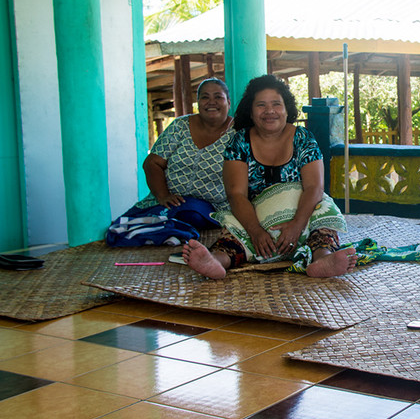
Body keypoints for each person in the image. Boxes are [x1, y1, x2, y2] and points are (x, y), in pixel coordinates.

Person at [183, 74, 357, 279]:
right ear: (251, 110)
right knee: (233, 234)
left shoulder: (302, 138)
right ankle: (216, 261)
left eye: (276, 104)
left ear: (286, 108)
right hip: (256, 219)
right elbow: (236, 194)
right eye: (261, 105)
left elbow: (314, 187)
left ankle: (322, 259)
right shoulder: (239, 142)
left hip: (302, 217)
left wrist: (296, 225)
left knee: (324, 216)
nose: (269, 111)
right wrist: (256, 231)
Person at [137, 77, 235, 213]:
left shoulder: (238, 134)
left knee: (186, 214)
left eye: (218, 97)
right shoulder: (180, 126)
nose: (211, 102)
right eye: (205, 97)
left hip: (213, 208)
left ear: (228, 103)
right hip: (166, 203)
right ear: (198, 103)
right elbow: (152, 163)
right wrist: (163, 195)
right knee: (123, 227)